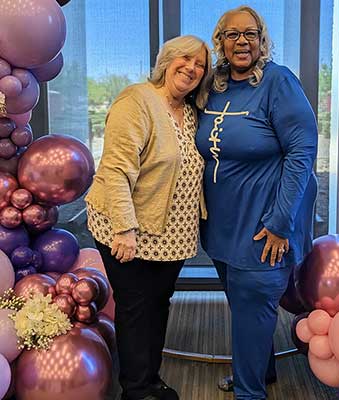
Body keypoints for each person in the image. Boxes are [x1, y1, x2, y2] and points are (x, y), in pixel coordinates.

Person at [195, 6, 318, 400]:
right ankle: (259, 371)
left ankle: (250, 393)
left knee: (253, 306)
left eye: (250, 34)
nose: (241, 41)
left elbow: (302, 152)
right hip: (221, 226)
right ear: (221, 42)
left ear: (262, 40)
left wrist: (281, 221)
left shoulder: (279, 82)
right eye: (232, 35)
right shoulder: (214, 84)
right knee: (246, 312)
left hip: (263, 225)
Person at [85, 35, 212, 400]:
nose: (191, 67)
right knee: (136, 309)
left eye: (199, 63)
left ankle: (150, 379)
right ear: (167, 60)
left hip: (170, 234)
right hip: (128, 229)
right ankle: (136, 389)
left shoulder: (189, 110)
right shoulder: (137, 100)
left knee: (158, 304)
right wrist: (124, 229)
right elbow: (116, 170)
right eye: (184, 58)